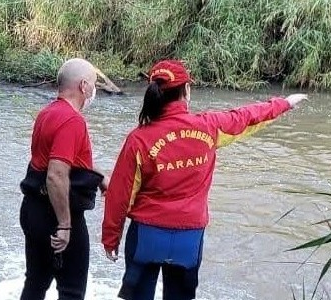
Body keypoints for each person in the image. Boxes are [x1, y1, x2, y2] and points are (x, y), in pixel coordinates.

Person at [101, 59, 308, 300]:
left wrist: (111, 238)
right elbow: (247, 117)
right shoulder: (209, 127)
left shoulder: (139, 139)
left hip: (146, 236)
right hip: (189, 237)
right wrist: (284, 103)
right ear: (186, 90)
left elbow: (120, 193)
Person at [19, 58, 108, 300]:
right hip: (55, 215)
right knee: (71, 291)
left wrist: (100, 178)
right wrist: (65, 225)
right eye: (93, 83)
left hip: (33, 210)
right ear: (83, 86)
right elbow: (56, 175)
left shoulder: (48, 113)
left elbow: (70, 160)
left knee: (36, 283)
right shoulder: (72, 120)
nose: (93, 89)